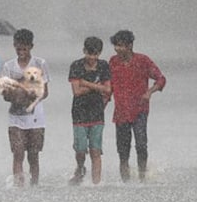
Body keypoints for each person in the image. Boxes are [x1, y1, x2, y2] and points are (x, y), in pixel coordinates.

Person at [108, 30, 166, 183]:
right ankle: (125, 181)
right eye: (116, 46)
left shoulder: (143, 61)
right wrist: (103, 101)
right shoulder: (113, 62)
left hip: (140, 110)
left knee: (141, 145)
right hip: (120, 112)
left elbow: (160, 79)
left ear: (130, 45)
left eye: (121, 46)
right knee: (123, 150)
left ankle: (142, 177)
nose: (118, 49)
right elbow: (109, 85)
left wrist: (150, 92)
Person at [0, 28, 50, 187]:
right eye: (18, 48)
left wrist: (31, 93)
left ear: (31, 46)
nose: (21, 51)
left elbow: (45, 92)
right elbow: (5, 95)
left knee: (33, 155)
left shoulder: (40, 64)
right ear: (14, 46)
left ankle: (34, 185)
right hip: (15, 118)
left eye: (24, 48)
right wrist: (15, 92)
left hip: (36, 119)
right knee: (18, 153)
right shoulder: (8, 66)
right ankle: (19, 186)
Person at [68, 36, 111, 185]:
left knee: (95, 150)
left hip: (97, 113)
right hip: (79, 113)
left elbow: (107, 89)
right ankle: (80, 168)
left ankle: (95, 184)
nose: (92, 58)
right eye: (89, 54)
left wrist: (86, 83)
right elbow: (76, 91)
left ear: (99, 53)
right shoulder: (76, 66)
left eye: (95, 54)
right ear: (84, 51)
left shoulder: (104, 66)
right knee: (80, 150)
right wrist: (96, 87)